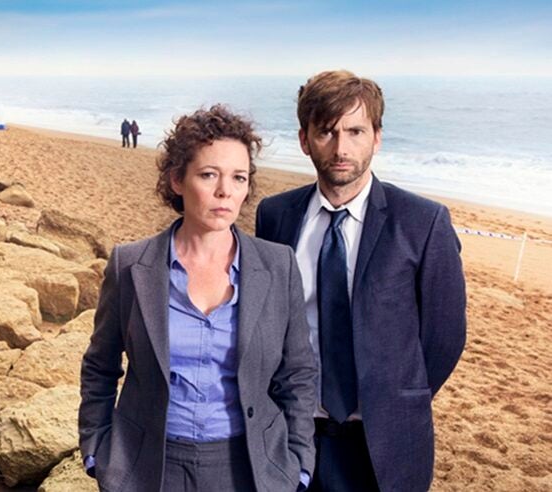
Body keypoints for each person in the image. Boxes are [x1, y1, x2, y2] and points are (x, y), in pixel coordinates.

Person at [80, 104, 317, 492]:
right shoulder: (130, 264)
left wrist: (298, 464)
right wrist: (97, 450)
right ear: (177, 179)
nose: (225, 191)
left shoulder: (278, 266)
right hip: (149, 466)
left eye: (238, 178)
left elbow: (298, 376)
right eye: (209, 175)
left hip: (249, 468)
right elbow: (100, 367)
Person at [255, 70, 467, 492]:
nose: (341, 148)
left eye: (355, 131)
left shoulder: (423, 222)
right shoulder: (275, 215)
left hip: (382, 443)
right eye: (327, 132)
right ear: (304, 139)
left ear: (377, 137)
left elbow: (444, 338)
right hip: (292, 434)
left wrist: (397, 399)